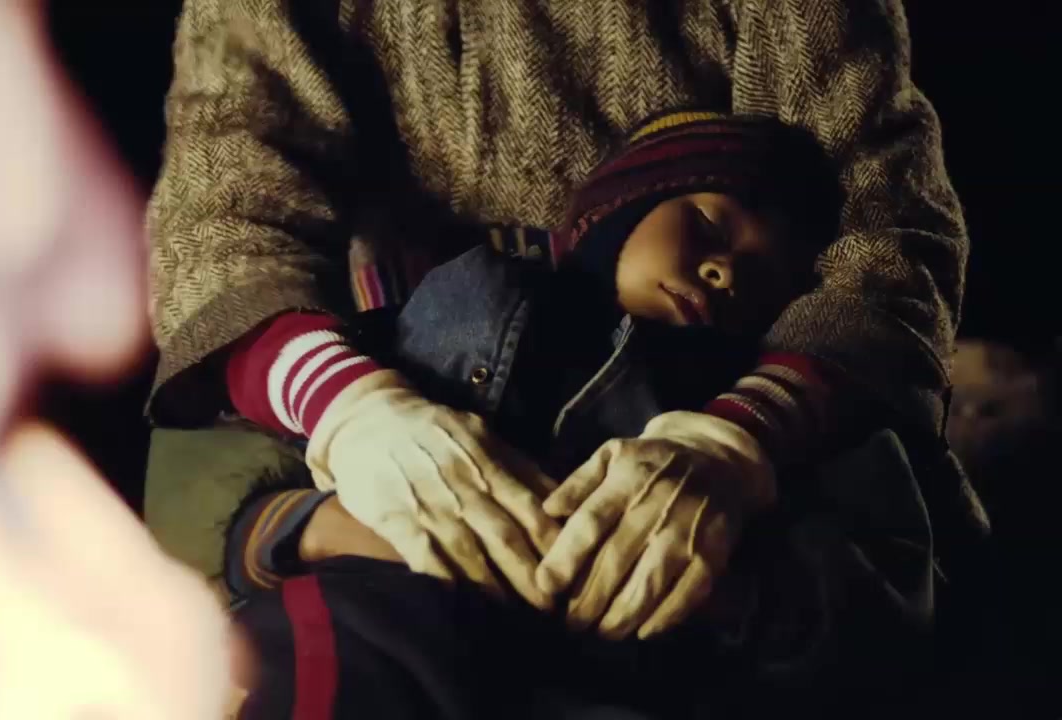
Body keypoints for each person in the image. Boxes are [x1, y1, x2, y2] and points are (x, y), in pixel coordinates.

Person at [143, 0, 988, 644]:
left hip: (723, 428)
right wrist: (350, 410)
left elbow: (886, 230)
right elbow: (224, 219)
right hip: (377, 405)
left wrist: (744, 437)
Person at [222, 113, 941, 719]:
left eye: (764, 278)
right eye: (706, 222)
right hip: (389, 621)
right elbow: (260, 520)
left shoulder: (778, 414)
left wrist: (711, 582)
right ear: (617, 208)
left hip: (622, 675)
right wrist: (320, 522)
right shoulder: (455, 300)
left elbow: (881, 616)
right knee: (326, 640)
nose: (725, 270)